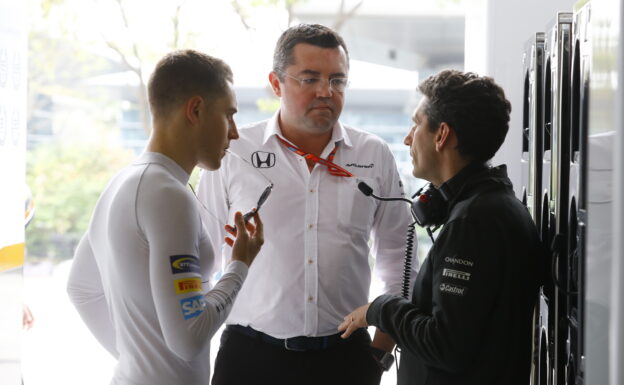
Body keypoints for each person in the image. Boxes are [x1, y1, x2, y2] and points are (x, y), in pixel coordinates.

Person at [198, 24, 414, 385]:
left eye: (338, 80)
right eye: (310, 78)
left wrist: (380, 350)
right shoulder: (235, 151)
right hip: (249, 358)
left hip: (346, 358)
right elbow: (200, 259)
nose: (326, 92)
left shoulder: (372, 154)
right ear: (276, 83)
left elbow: (400, 261)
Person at [66, 49, 264, 385]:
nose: (234, 133)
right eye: (228, 115)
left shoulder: (124, 181)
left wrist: (140, 363)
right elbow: (188, 339)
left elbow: (81, 289)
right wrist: (239, 265)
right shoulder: (168, 195)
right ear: (196, 110)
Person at [339, 70, 542, 385]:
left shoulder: (473, 223)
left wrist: (380, 309)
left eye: (416, 123)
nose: (408, 138)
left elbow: (445, 345)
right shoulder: (490, 207)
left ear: (441, 134)